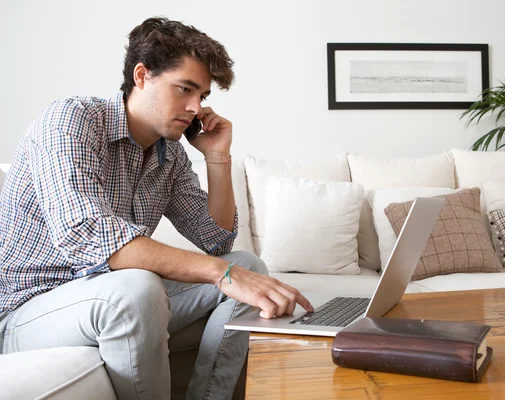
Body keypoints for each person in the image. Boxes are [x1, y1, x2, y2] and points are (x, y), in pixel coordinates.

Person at [0, 16, 313, 400]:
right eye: (185, 89)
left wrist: (218, 157)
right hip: (28, 311)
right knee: (137, 286)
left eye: (203, 96)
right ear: (142, 75)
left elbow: (215, 238)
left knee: (249, 265)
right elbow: (87, 233)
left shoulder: (171, 154)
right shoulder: (72, 119)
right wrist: (221, 273)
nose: (195, 107)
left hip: (110, 297)